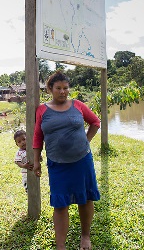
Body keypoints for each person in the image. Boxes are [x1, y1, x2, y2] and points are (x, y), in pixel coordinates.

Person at [33, 71, 101, 250]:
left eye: (65, 88)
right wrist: (36, 159)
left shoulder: (78, 105)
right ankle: (60, 246)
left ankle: (85, 237)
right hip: (57, 164)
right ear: (50, 89)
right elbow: (38, 136)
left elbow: (95, 122)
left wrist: (86, 140)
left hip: (82, 160)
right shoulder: (42, 110)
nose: (63, 92)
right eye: (58, 88)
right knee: (60, 204)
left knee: (85, 199)